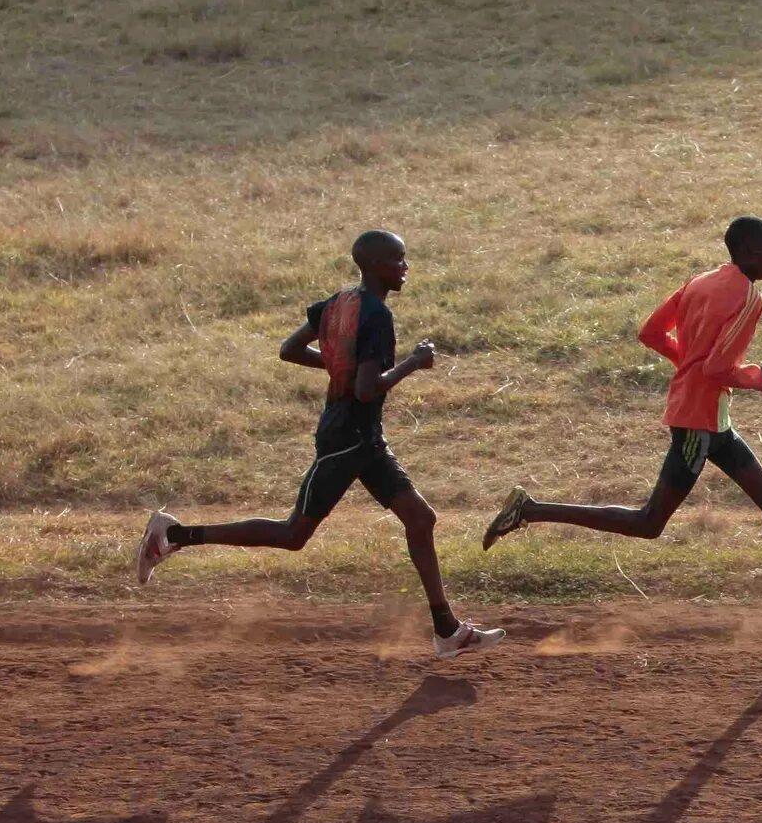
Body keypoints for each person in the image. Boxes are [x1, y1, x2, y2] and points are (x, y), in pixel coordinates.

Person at [480, 216, 762, 643]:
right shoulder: (748, 296)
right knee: (649, 523)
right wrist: (759, 378)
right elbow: (717, 367)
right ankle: (529, 510)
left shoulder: (700, 281)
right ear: (750, 251)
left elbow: (651, 333)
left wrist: (689, 365)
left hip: (709, 420)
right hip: (699, 422)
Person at [135, 230, 498, 658]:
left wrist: (339, 365)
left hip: (362, 439)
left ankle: (447, 631)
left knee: (420, 519)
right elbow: (367, 390)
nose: (406, 267)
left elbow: (290, 349)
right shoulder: (377, 315)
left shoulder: (339, 302)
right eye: (398, 259)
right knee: (293, 535)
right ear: (376, 265)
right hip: (348, 440)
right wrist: (414, 364)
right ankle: (173, 534)